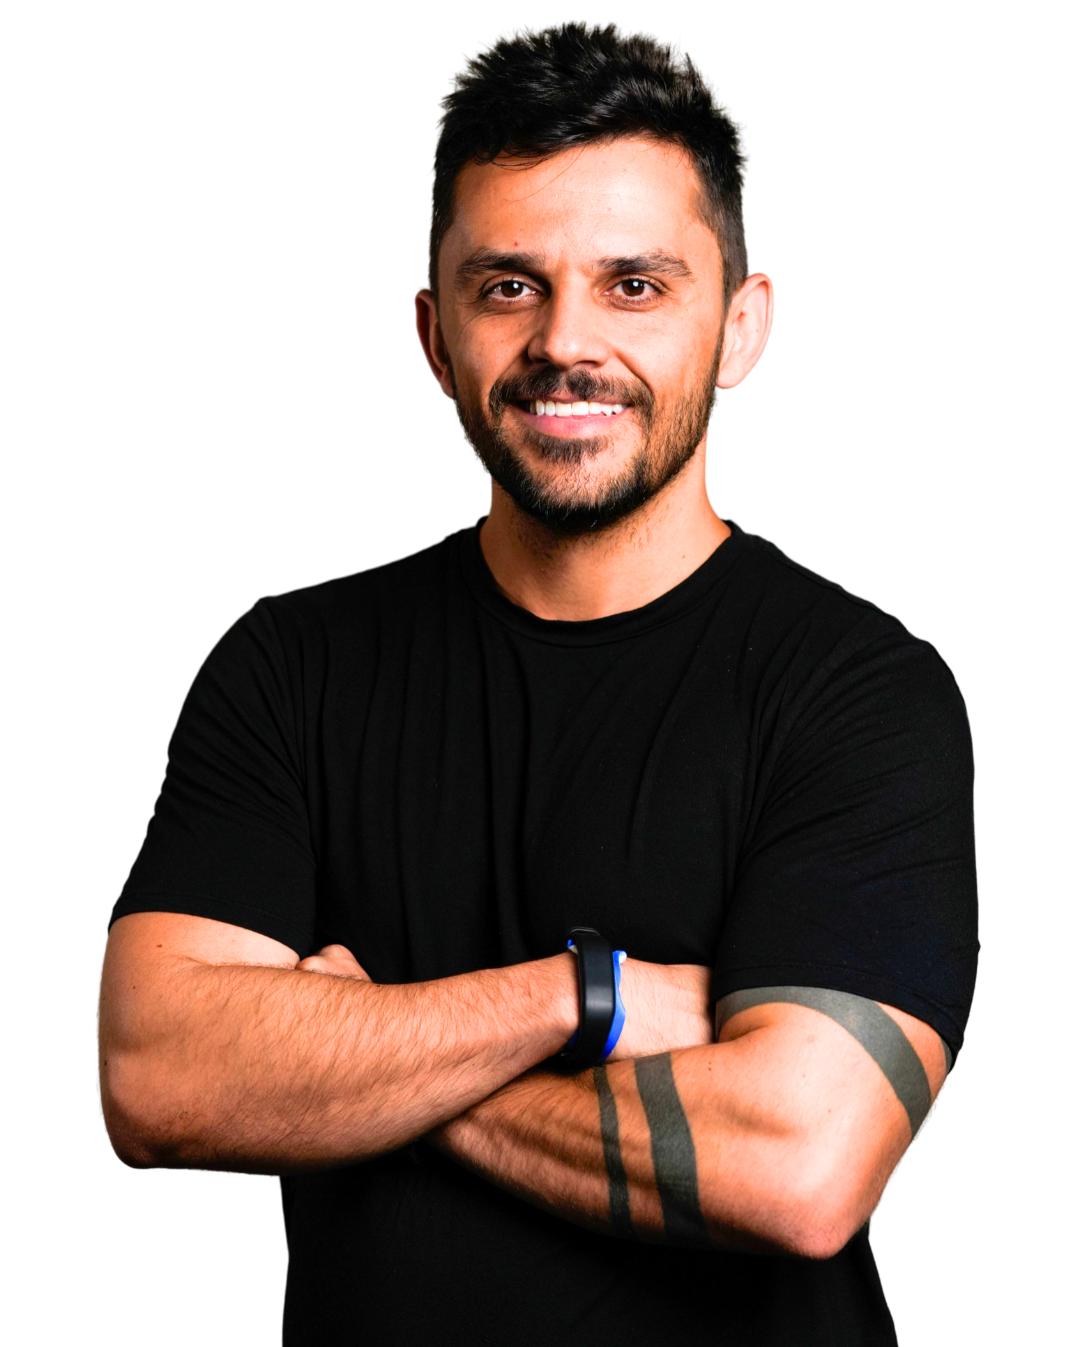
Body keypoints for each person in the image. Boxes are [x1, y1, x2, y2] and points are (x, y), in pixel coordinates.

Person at [97, 21, 979, 1346]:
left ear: (741, 328)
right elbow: (160, 1079)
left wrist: (355, 1057)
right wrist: (585, 998)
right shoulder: (292, 663)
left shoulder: (858, 690)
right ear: (433, 335)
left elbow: (799, 1166)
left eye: (636, 285)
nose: (567, 341)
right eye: (508, 284)